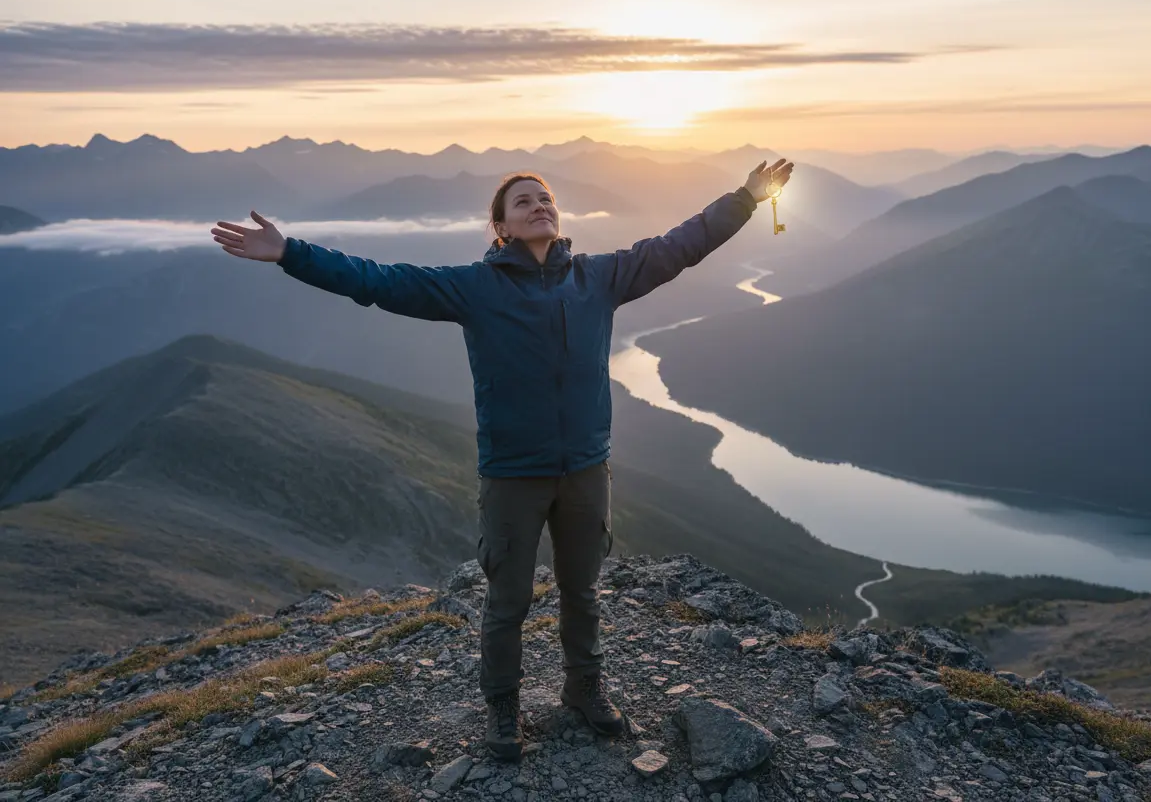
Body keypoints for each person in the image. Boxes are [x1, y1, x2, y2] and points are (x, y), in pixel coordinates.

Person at [209, 157, 794, 760]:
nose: (539, 206)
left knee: (582, 590)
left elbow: (683, 244)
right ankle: (503, 709)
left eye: (545, 198)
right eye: (523, 202)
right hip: (514, 473)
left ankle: (584, 689)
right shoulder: (475, 287)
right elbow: (377, 280)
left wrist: (747, 199)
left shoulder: (600, 277)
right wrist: (290, 254)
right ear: (502, 227)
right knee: (508, 599)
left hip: (586, 468)